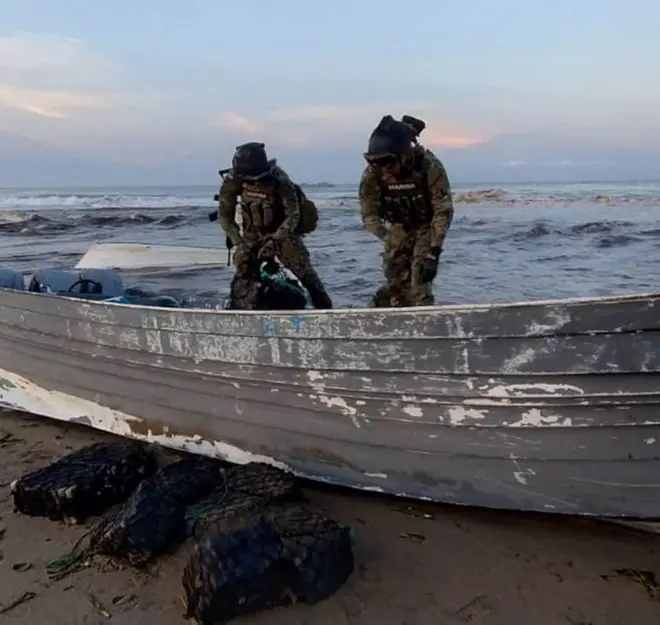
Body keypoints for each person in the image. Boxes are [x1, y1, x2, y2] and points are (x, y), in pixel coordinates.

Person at [216, 142, 333, 309]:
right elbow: (225, 215)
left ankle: (325, 310)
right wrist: (238, 241)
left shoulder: (280, 180)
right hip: (252, 233)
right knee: (243, 265)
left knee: (304, 272)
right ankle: (242, 307)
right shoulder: (234, 179)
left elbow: (293, 215)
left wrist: (274, 242)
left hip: (281, 232)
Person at [358, 115, 455, 307]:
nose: (384, 168)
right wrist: (390, 239)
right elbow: (369, 214)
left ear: (404, 154)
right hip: (398, 227)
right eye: (375, 162)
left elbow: (442, 210)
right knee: (395, 282)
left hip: (427, 226)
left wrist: (433, 252)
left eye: (388, 162)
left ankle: (424, 320)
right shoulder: (373, 174)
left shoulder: (429, 166)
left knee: (419, 281)